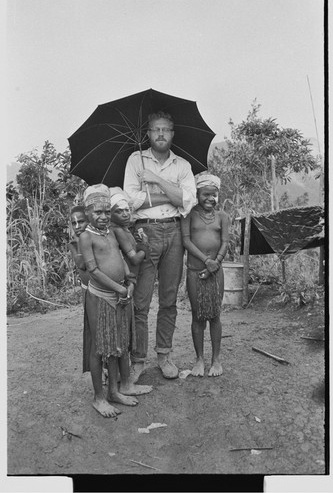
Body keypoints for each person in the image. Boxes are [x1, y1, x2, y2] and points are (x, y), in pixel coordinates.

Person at [123, 111, 197, 382]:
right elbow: (130, 201)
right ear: (148, 133)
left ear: (172, 133)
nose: (161, 134)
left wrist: (155, 180)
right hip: (144, 231)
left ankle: (164, 355)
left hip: (175, 232)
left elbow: (187, 202)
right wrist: (170, 194)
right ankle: (138, 359)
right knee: (140, 300)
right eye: (156, 130)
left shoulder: (183, 165)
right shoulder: (135, 160)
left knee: (168, 299)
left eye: (166, 129)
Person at [79, 184, 152, 418]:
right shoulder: (86, 236)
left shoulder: (111, 232)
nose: (102, 216)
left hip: (119, 294)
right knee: (100, 347)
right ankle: (98, 398)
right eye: (97, 212)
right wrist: (119, 288)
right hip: (100, 297)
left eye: (106, 212)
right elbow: (93, 270)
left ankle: (113, 391)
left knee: (116, 344)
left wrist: (128, 282)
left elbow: (124, 260)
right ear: (87, 212)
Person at [180, 172, 229, 377]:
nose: (210, 198)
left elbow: (225, 242)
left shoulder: (222, 217)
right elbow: (186, 241)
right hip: (195, 271)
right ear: (197, 194)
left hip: (216, 273)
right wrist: (206, 261)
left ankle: (216, 360)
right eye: (205, 194)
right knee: (198, 316)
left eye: (214, 195)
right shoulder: (188, 214)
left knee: (215, 315)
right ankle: (199, 359)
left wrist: (215, 263)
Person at [68, 206, 91, 374]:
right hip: (88, 290)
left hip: (103, 290)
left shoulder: (94, 238)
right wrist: (77, 245)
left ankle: (111, 367)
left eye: (81, 221)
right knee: (92, 329)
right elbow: (82, 265)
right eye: (73, 223)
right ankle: (99, 369)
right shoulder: (74, 242)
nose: (77, 226)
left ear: (88, 220)